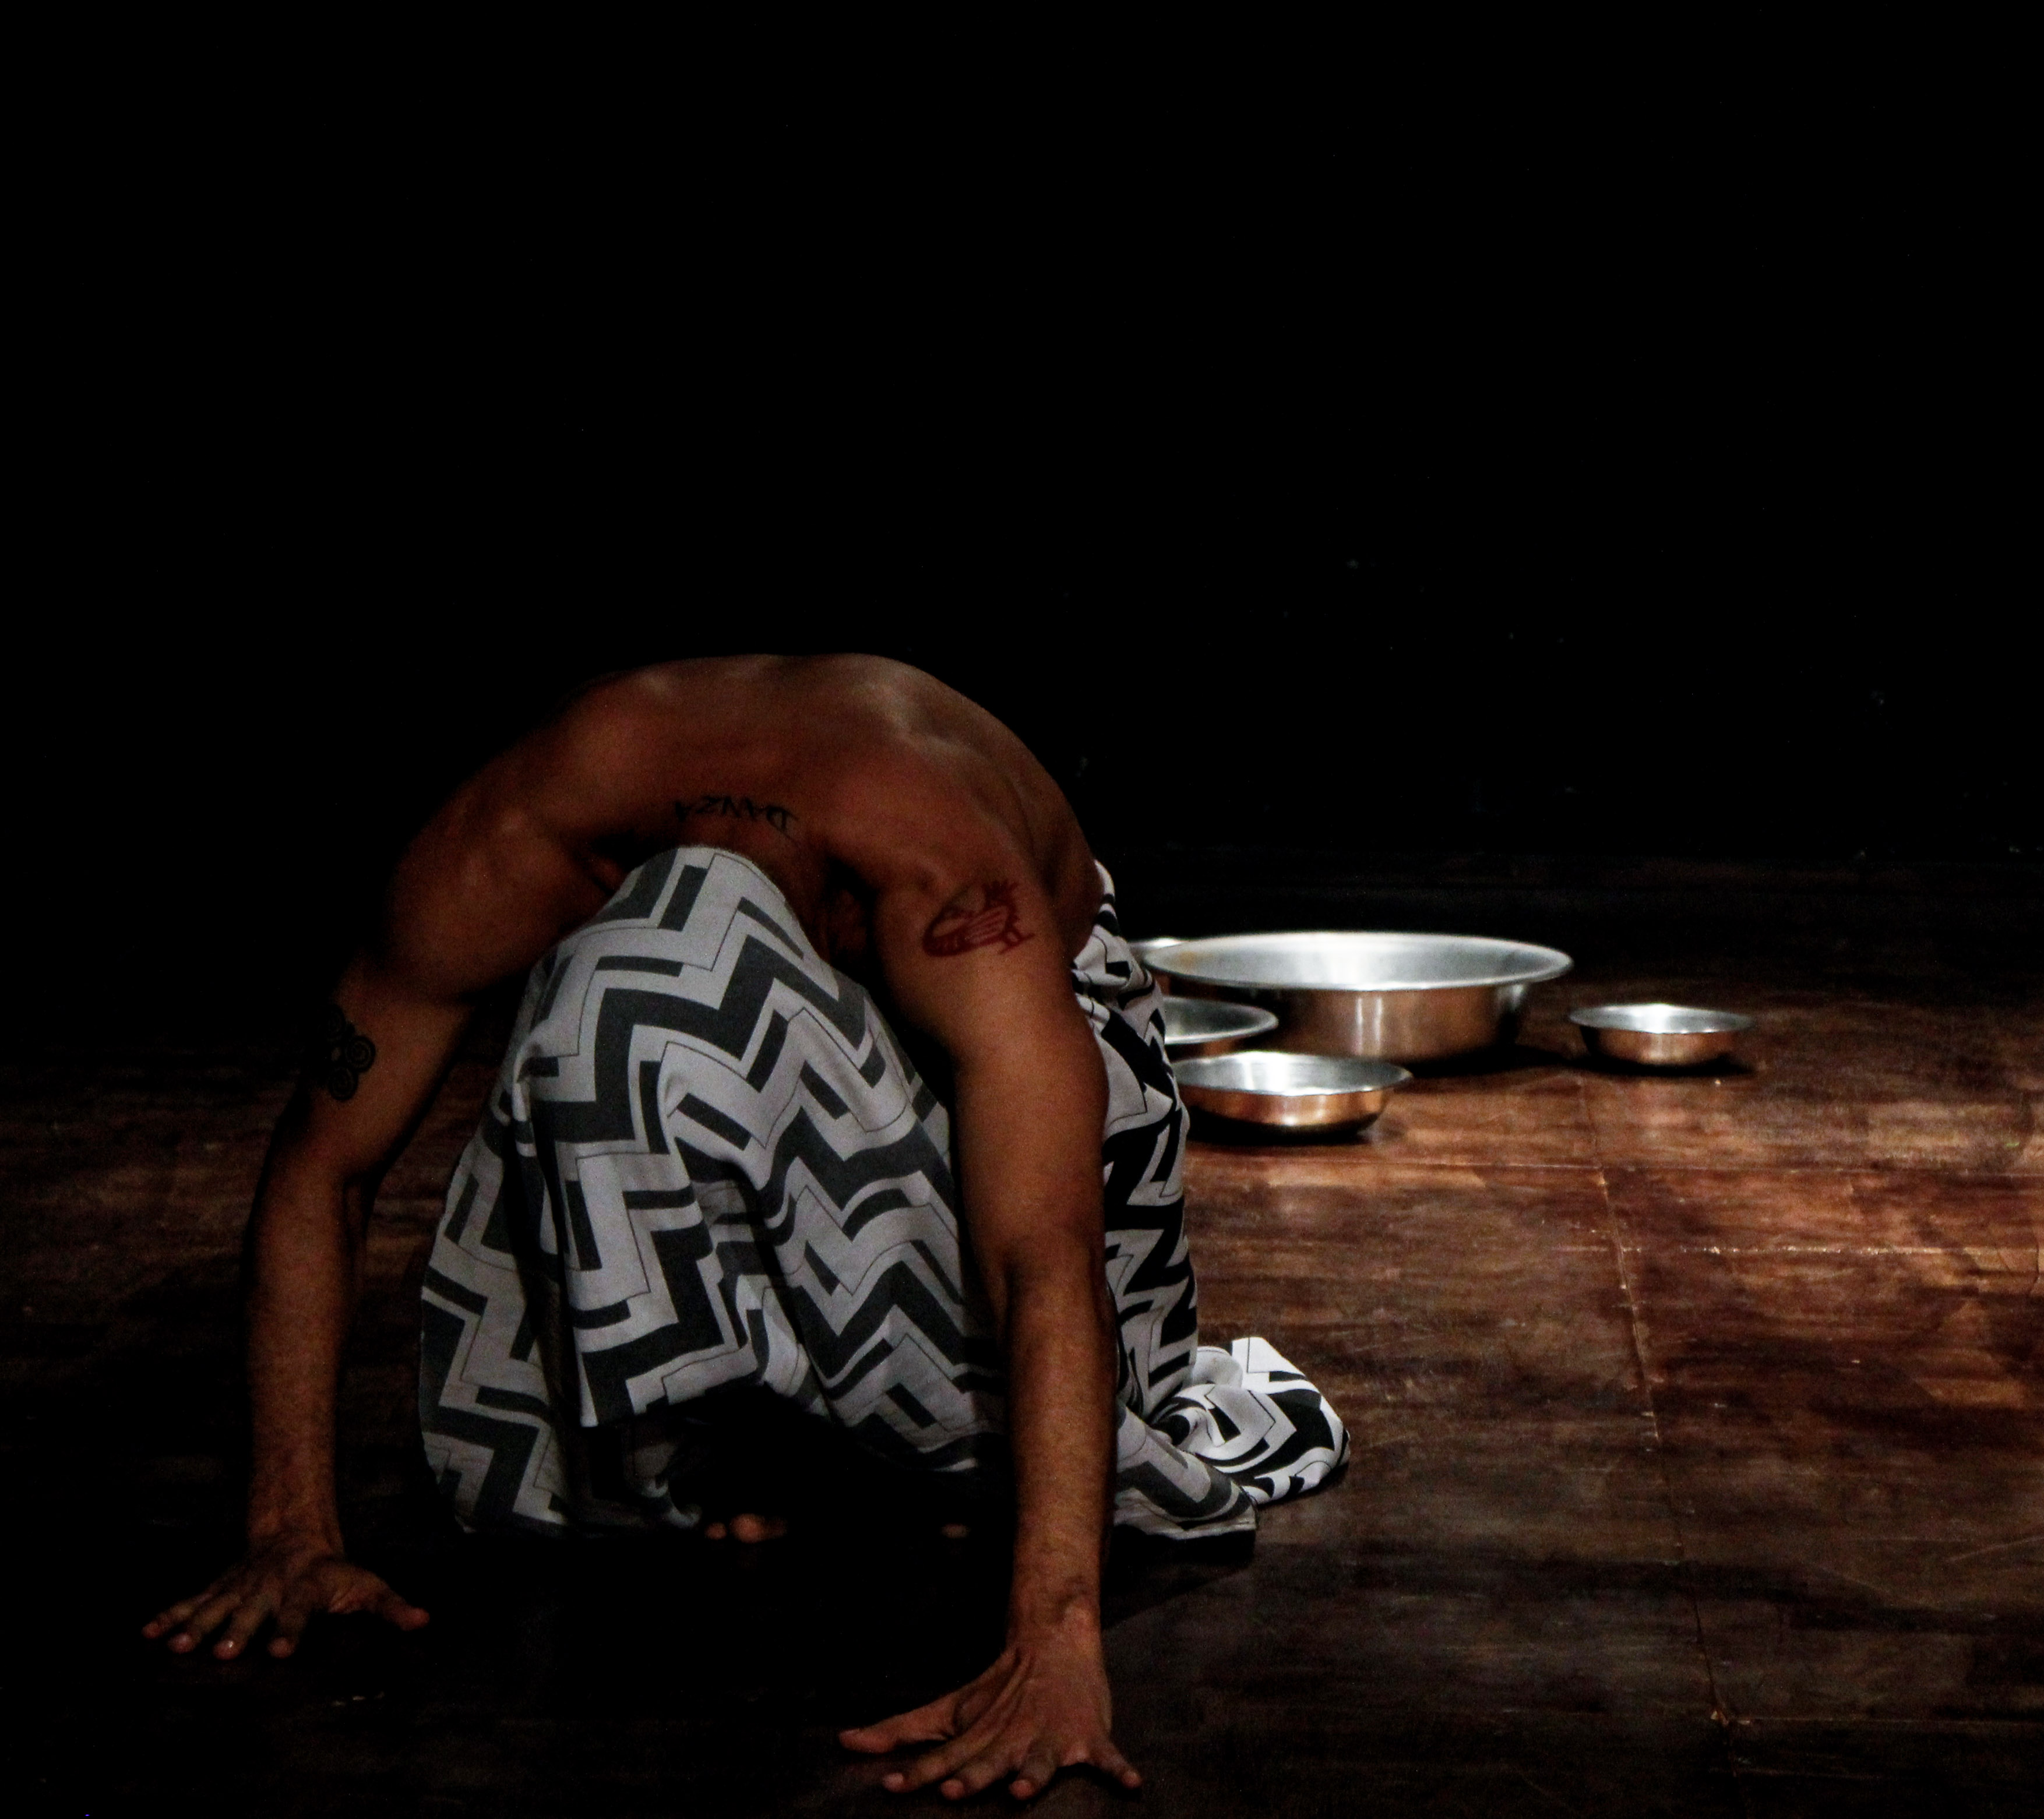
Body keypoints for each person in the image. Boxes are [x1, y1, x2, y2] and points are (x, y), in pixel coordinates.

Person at [141, 654, 1344, 1802]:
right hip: (691, 1004)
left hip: (1054, 1031)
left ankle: (864, 1439)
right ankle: (752, 1429)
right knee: (609, 1020)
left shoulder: (942, 880)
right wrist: (289, 1532)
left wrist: (1057, 1640)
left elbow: (1042, 1258)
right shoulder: (515, 835)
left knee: (1033, 1396)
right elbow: (324, 1165)